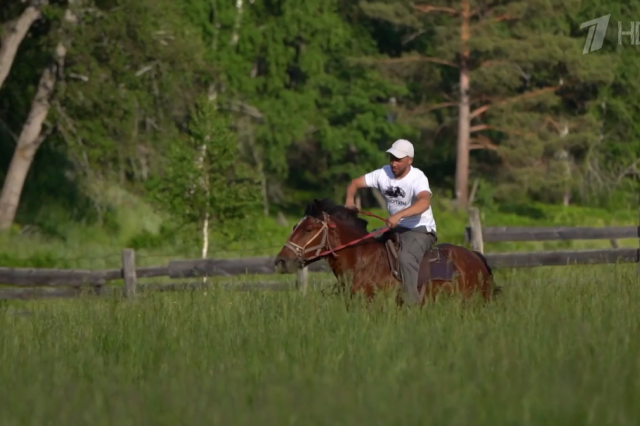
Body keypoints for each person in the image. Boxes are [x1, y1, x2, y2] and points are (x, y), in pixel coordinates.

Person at [344, 139, 437, 306]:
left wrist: (398, 215)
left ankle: (412, 304)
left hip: (420, 229)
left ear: (410, 160)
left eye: (398, 159)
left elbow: (424, 202)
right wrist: (350, 201)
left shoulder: (418, 178)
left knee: (405, 258)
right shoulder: (382, 173)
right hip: (396, 228)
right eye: (391, 158)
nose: (393, 163)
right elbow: (354, 183)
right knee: (366, 244)